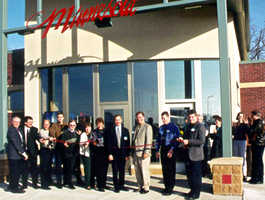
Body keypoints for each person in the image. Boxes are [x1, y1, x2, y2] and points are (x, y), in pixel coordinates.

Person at [177, 110, 205, 200]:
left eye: (193, 117)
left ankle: (196, 194)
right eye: (189, 117)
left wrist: (188, 141)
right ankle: (192, 191)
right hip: (187, 155)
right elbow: (185, 139)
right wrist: (181, 141)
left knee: (196, 176)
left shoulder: (200, 126)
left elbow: (201, 141)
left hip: (196, 156)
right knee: (189, 176)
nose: (191, 119)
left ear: (196, 117)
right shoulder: (188, 126)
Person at [155, 111, 180, 196]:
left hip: (171, 149)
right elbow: (158, 140)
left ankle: (170, 188)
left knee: (171, 169)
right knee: (165, 169)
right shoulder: (161, 128)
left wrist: (172, 149)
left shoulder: (174, 127)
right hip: (163, 150)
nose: (163, 120)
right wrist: (157, 150)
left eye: (165, 118)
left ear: (168, 117)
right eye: (162, 118)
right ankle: (166, 187)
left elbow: (177, 140)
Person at [108, 114, 131, 193]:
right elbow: (109, 143)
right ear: (115, 121)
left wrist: (127, 154)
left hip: (123, 154)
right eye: (116, 120)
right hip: (114, 154)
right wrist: (110, 154)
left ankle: (121, 185)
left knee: (122, 171)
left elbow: (128, 143)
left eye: (119, 119)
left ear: (121, 120)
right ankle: (116, 187)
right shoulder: (111, 130)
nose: (117, 121)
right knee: (115, 171)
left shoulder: (126, 130)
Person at [132, 112, 153, 194]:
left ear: (143, 117)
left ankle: (146, 187)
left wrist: (146, 151)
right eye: (137, 117)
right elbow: (134, 140)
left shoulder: (147, 127)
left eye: (140, 117)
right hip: (136, 153)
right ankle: (140, 186)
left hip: (144, 153)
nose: (139, 119)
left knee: (144, 171)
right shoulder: (136, 127)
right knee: (138, 171)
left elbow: (149, 141)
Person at [6, 116, 28, 193]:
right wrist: (24, 153)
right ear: (12, 122)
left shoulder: (19, 129)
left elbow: (22, 142)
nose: (17, 123)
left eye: (18, 122)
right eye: (15, 121)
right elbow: (16, 143)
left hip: (18, 155)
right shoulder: (11, 130)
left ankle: (11, 186)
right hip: (14, 155)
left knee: (15, 172)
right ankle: (15, 188)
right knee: (15, 172)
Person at [21, 116, 41, 189]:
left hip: (33, 152)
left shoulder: (34, 129)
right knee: (24, 169)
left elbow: (37, 137)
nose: (31, 123)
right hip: (24, 152)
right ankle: (24, 184)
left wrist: (41, 140)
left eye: (32, 122)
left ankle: (35, 183)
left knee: (34, 168)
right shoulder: (20, 129)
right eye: (29, 122)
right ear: (25, 122)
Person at [49, 112, 68, 188]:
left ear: (63, 118)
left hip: (66, 149)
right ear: (57, 118)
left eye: (61, 117)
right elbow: (52, 133)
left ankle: (66, 181)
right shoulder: (54, 125)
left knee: (67, 166)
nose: (60, 118)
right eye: (58, 117)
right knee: (58, 166)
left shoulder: (66, 126)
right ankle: (59, 182)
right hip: (58, 148)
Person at [90, 117, 109, 192]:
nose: (99, 124)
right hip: (97, 152)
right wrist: (94, 142)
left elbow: (109, 141)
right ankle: (100, 185)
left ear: (103, 123)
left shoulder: (106, 131)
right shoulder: (94, 132)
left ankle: (103, 184)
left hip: (105, 152)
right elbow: (92, 141)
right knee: (98, 170)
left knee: (104, 170)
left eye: (100, 123)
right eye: (97, 123)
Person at [61, 120, 80, 189]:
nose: (72, 126)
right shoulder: (65, 133)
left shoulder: (77, 133)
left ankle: (67, 181)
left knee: (72, 168)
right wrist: (64, 144)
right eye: (71, 125)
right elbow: (62, 142)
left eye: (74, 125)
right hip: (67, 154)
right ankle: (69, 183)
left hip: (74, 153)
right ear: (69, 125)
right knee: (68, 169)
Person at [39, 119, 56, 190]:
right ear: (43, 124)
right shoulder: (41, 131)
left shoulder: (51, 130)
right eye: (45, 124)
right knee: (44, 167)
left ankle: (49, 181)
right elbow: (44, 136)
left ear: (49, 124)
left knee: (49, 166)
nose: (46, 125)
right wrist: (50, 138)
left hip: (50, 150)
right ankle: (44, 184)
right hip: (44, 150)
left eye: (47, 124)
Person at [249, 110, 265, 184]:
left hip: (258, 144)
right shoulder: (257, 122)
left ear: (256, 115)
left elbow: (252, 131)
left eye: (252, 115)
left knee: (258, 161)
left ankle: (259, 179)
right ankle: (255, 178)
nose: (251, 117)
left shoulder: (259, 122)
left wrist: (249, 125)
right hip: (257, 143)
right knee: (256, 161)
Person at [232, 112, 249, 181]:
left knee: (243, 157)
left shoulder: (245, 124)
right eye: (239, 116)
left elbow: (248, 132)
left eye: (242, 116)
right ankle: (237, 173)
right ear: (238, 117)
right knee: (236, 157)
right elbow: (233, 132)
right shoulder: (235, 125)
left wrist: (246, 124)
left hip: (242, 141)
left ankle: (244, 174)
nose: (240, 117)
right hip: (235, 141)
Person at [80, 122, 92, 190]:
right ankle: (87, 184)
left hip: (93, 153)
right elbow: (81, 143)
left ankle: (92, 183)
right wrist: (85, 143)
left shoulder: (92, 134)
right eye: (86, 127)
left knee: (92, 169)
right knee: (87, 170)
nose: (87, 129)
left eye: (89, 127)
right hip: (86, 154)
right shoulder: (83, 135)